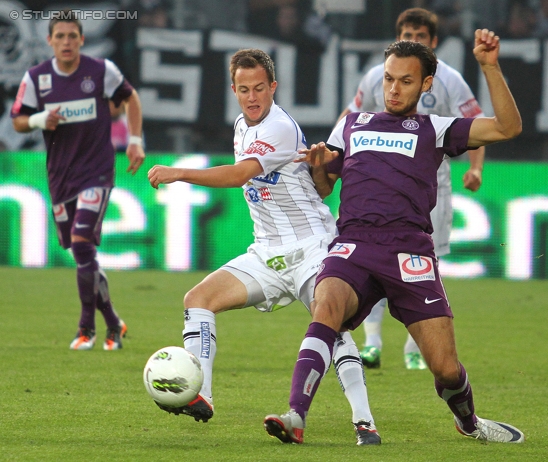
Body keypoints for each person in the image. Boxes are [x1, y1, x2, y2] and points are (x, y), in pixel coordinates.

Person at [264, 31, 525, 444]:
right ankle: (295, 414)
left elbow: (508, 128)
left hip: (410, 253)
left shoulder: (435, 128)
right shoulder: (352, 124)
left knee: (445, 369)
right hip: (354, 245)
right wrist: (317, 167)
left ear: (425, 84)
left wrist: (490, 66)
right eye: (388, 78)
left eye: (405, 80)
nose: (393, 88)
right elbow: (324, 187)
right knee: (325, 306)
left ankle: (469, 422)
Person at [147, 48, 380, 446]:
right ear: (234, 90)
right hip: (267, 253)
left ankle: (365, 422)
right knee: (198, 298)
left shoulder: (279, 127)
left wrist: (180, 171)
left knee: (334, 326)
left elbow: (241, 175)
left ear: (273, 86)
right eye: (243, 89)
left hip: (312, 247)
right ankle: (201, 393)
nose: (252, 97)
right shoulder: (242, 125)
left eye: (259, 88)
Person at [337, 8, 486, 370]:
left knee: (425, 262)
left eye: (420, 36)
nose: (413, 41)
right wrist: (338, 157)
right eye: (407, 34)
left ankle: (414, 346)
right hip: (380, 179)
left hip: (431, 181)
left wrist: (476, 167)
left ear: (433, 43)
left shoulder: (449, 80)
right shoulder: (378, 75)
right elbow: (349, 117)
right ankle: (371, 342)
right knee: (373, 258)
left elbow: (475, 123)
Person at [11, 14, 145, 351]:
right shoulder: (37, 78)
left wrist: (135, 141)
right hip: (61, 177)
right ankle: (114, 322)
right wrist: (41, 119)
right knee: (82, 255)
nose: (67, 42)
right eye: (61, 36)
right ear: (50, 41)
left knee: (83, 243)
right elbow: (18, 121)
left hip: (96, 172)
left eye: (73, 36)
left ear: (82, 40)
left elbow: (131, 98)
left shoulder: (101, 71)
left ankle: (87, 328)